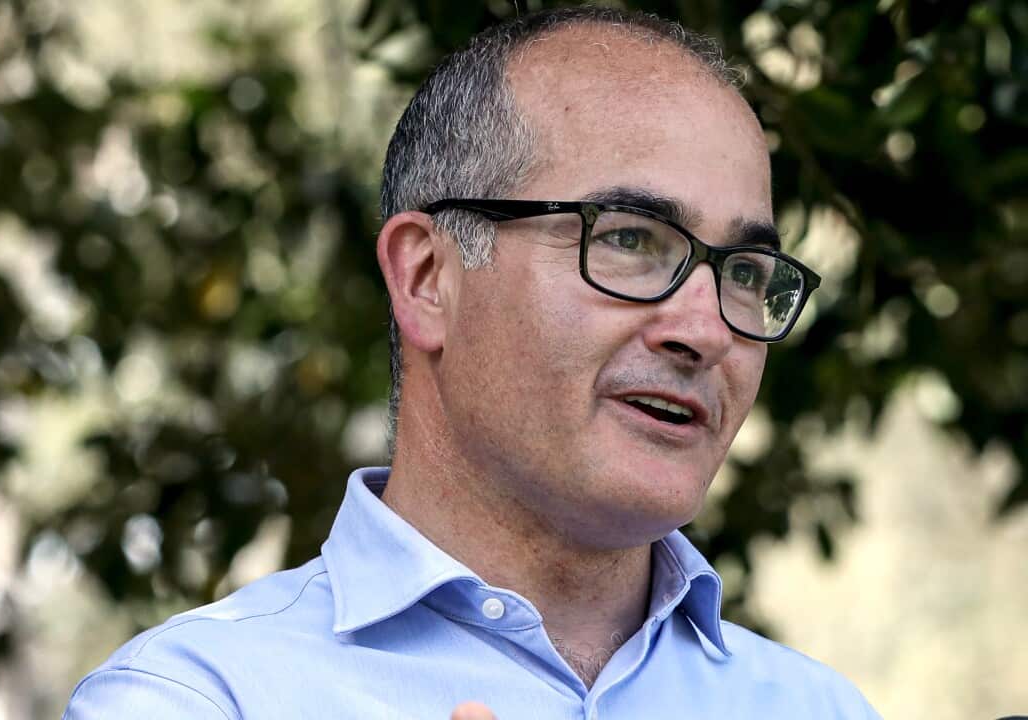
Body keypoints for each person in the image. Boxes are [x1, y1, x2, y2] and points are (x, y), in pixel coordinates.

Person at [63, 6, 880, 719]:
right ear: (426, 279)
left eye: (744, 273)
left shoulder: (819, 708)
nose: (704, 329)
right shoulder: (202, 698)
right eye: (629, 239)